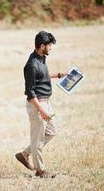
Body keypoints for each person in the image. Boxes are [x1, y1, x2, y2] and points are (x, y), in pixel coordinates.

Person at [15, 31, 67, 178]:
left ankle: (25, 154)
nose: (51, 48)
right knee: (37, 139)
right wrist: (41, 111)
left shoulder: (41, 58)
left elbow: (41, 75)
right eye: (49, 45)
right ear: (42, 46)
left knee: (51, 132)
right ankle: (40, 171)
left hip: (46, 103)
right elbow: (30, 93)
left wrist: (57, 75)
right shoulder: (31, 65)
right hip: (37, 105)